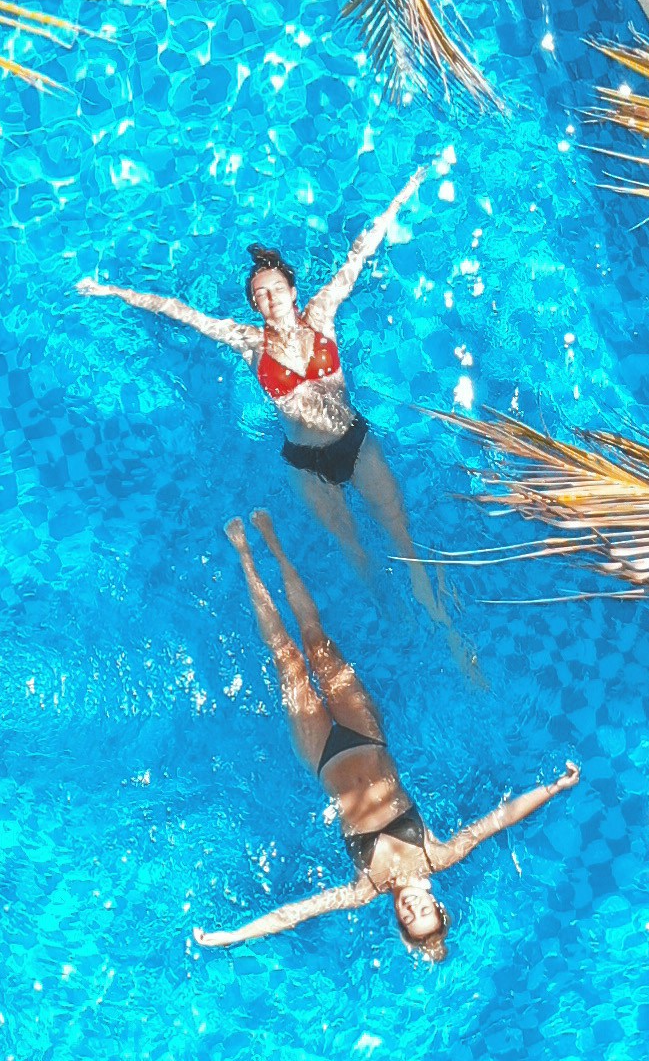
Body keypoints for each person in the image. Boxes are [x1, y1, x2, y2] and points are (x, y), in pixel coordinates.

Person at [81, 151, 468, 647]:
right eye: (259, 295)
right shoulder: (249, 343)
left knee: (400, 535)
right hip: (305, 464)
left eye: (275, 288)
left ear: (291, 288)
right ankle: (393, 619)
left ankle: (444, 628)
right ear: (254, 304)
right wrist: (112, 292)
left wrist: (407, 190)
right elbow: (182, 313)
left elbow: (359, 254)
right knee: (353, 551)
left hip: (353, 442)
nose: (269, 298)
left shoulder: (322, 314)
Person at [196, 519, 577, 964]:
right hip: (366, 735)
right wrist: (554, 788)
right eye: (424, 912)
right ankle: (274, 544)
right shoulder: (438, 854)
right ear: (435, 901)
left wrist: (233, 935)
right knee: (315, 641)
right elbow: (499, 819)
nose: (412, 909)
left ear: (399, 921)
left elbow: (295, 914)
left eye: (409, 919)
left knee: (285, 656)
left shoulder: (365, 888)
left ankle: (245, 553)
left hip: (322, 756)